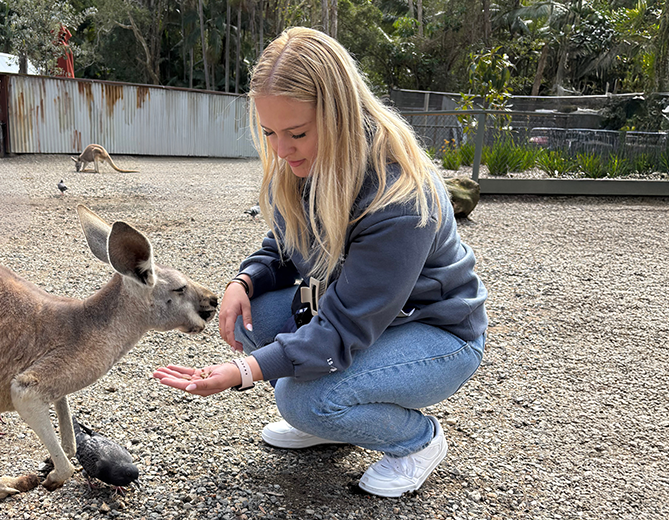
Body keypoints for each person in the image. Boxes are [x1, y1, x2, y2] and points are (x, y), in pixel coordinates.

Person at [153, 26, 488, 497]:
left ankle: (416, 442)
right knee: (252, 321)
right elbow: (286, 245)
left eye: (297, 133)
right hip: (371, 317)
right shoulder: (303, 164)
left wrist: (242, 372)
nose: (280, 149)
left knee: (301, 398)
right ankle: (338, 425)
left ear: (339, 115)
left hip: (436, 331)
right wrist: (243, 282)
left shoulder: (398, 195)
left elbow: (342, 329)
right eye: (269, 131)